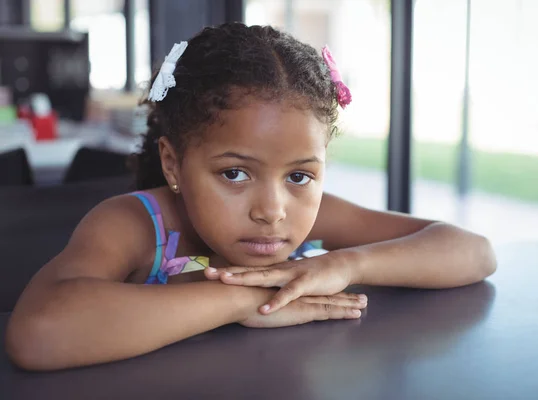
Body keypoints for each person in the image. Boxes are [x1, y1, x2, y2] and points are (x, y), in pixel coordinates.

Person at [5, 22, 496, 371]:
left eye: (300, 176)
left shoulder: (317, 216)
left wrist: (344, 266)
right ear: (173, 163)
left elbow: (474, 252)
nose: (272, 210)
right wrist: (242, 299)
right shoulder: (136, 226)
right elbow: (38, 334)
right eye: (235, 173)